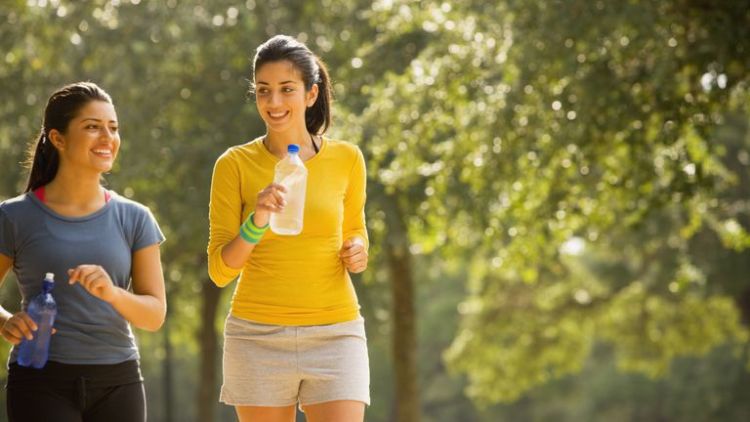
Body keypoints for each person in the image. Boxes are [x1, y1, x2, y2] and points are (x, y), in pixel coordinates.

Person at [207, 35, 370, 422]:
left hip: (335, 331)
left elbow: (356, 232)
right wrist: (257, 220)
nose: (274, 102)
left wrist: (359, 250)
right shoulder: (234, 165)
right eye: (264, 91)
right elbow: (219, 270)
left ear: (311, 94)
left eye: (286, 89)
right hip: (258, 335)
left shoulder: (347, 159)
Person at [0, 82, 166, 422]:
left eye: (113, 128)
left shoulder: (135, 218)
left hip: (118, 381)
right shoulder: (15, 217)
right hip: (40, 380)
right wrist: (5, 321)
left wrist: (113, 293)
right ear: (58, 138)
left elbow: (154, 314)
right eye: (92, 127)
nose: (108, 138)